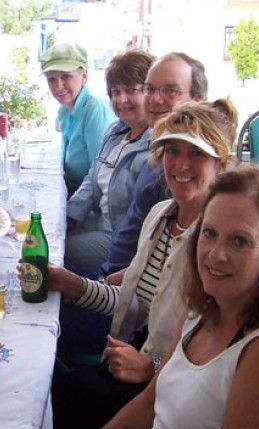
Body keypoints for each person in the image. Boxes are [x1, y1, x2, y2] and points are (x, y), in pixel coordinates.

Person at [53, 165, 259, 429]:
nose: (215, 254)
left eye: (240, 241)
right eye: (209, 233)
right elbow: (149, 403)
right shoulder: (203, 308)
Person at [50, 99, 238, 429]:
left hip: (165, 391)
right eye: (171, 151)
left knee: (59, 399)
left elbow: (211, 353)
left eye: (196, 154)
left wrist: (150, 367)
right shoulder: (160, 215)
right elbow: (137, 303)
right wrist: (72, 284)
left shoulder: (216, 247)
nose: (181, 165)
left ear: (221, 165)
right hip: (133, 356)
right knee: (45, 377)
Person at [100, 52, 209, 279]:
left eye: (170, 91)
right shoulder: (158, 152)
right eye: (149, 89)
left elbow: (165, 273)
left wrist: (99, 286)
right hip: (115, 276)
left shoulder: (189, 173)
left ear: (198, 100)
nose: (155, 100)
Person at [65, 49, 155, 273]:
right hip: (97, 220)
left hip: (118, 239)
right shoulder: (116, 132)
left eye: (132, 90)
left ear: (151, 93)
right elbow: (92, 176)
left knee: (49, 253)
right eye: (115, 92)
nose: (122, 100)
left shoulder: (155, 148)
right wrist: (70, 215)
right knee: (41, 235)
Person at [40, 42, 116, 196]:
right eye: (51, 79)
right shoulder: (64, 109)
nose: (58, 86)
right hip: (72, 189)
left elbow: (100, 174)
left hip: (92, 201)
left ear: (84, 76)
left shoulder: (93, 109)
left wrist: (74, 210)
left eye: (66, 76)